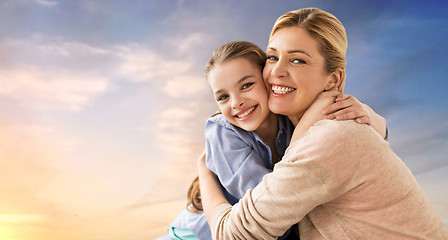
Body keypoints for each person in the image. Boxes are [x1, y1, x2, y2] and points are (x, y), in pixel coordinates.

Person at [198, 8, 448, 239]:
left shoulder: (331, 137)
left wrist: (204, 173)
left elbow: (232, 234)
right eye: (273, 57)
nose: (277, 72)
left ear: (333, 79)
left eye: (298, 60)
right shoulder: (309, 125)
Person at [162, 40, 388, 240]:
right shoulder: (222, 131)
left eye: (247, 85)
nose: (236, 102)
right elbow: (271, 208)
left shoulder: (291, 120)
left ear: (267, 81)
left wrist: (369, 114)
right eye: (223, 97)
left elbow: (370, 135)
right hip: (196, 234)